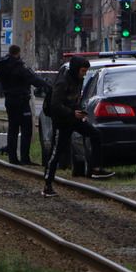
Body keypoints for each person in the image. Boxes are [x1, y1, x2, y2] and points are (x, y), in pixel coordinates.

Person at [41, 56, 114, 196]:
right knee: (56, 153)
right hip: (62, 121)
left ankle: (95, 168)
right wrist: (72, 112)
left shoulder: (79, 79)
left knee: (95, 134)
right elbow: (55, 105)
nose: (84, 73)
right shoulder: (62, 82)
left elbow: (76, 98)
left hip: (74, 118)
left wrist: (80, 111)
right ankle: (47, 184)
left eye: (86, 71)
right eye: (83, 70)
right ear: (76, 69)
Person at [0, 44, 49, 165]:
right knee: (26, 129)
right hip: (21, 101)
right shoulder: (19, 66)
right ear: (18, 53)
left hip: (9, 100)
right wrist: (46, 85)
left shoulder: (2, 64)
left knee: (13, 129)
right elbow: (32, 79)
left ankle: (12, 158)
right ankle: (25, 158)